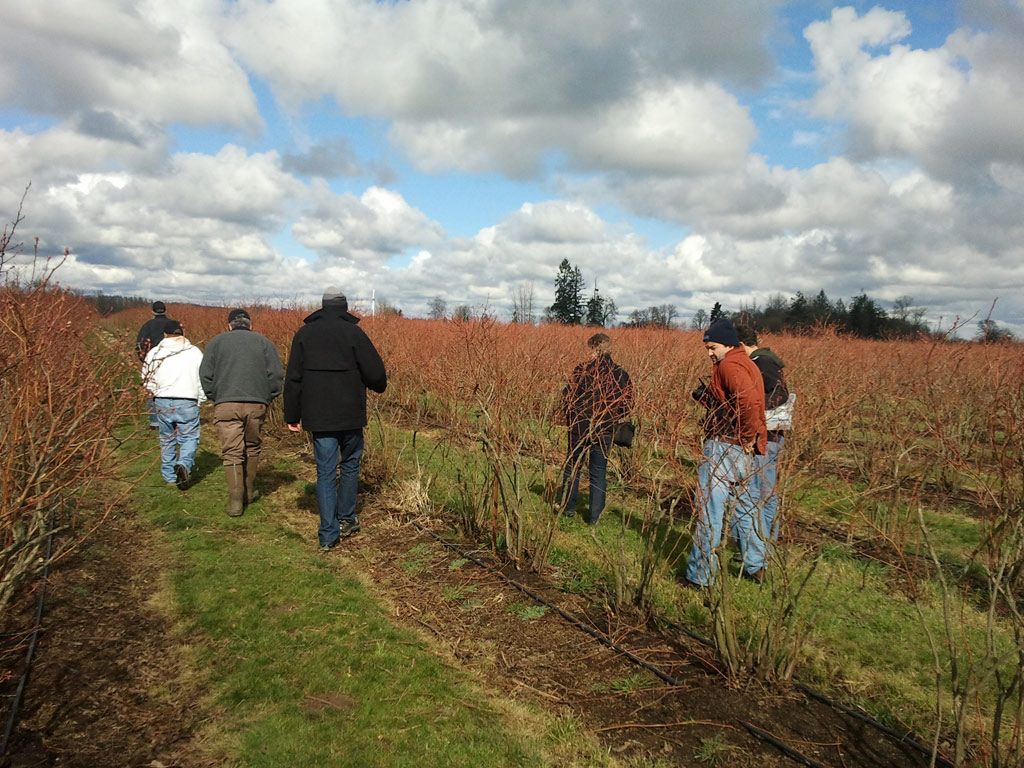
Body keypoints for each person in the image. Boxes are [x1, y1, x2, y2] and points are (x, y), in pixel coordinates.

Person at [284, 288, 387, 552]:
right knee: (350, 466)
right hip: (351, 416)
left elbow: (294, 378)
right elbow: (376, 374)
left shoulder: (304, 334)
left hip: (320, 418)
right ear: (345, 307)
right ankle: (347, 519)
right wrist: (376, 384)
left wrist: (292, 415)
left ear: (322, 306)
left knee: (326, 472)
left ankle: (328, 534)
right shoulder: (354, 333)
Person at [685, 318, 767, 587]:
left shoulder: (729, 364)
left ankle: (699, 577)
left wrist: (744, 435)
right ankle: (756, 566)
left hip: (724, 447)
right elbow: (744, 400)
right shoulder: (748, 363)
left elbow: (748, 401)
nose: (710, 353)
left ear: (729, 344)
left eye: (713, 347)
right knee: (744, 510)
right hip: (742, 452)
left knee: (709, 510)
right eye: (707, 348)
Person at [200, 308, 284, 517]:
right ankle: (249, 492)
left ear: (229, 325)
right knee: (252, 447)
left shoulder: (216, 343)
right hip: (256, 403)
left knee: (232, 451)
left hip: (225, 403)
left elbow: (205, 375)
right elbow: (276, 375)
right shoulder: (264, 343)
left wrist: (215, 396)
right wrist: (268, 397)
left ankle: (235, 501)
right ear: (250, 325)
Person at [559, 333, 634, 525]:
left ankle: (568, 507)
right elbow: (628, 405)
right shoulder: (621, 374)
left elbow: (567, 397)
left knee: (573, 466)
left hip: (579, 426)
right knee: (598, 472)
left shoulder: (581, 371)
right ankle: (594, 517)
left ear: (594, 349)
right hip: (605, 428)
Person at [735, 325, 794, 543]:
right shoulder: (764, 360)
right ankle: (767, 538)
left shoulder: (762, 362)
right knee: (765, 489)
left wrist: (751, 407)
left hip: (767, 436)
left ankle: (760, 540)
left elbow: (780, 394)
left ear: (741, 345)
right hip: (770, 434)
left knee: (758, 490)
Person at [142, 319, 206, 489]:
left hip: (162, 400)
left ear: (165, 334)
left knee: (167, 439)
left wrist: (153, 393)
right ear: (182, 333)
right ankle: (184, 464)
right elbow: (203, 377)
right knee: (189, 437)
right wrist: (201, 398)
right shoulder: (194, 352)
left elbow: (146, 378)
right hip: (187, 400)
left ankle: (169, 476)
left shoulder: (155, 352)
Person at [136, 301, 169, 428]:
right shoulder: (173, 324)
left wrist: (145, 361)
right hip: (171, 360)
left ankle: (154, 421)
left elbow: (140, 345)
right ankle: (170, 418)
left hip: (153, 361)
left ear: (153, 312)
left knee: (152, 390)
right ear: (165, 311)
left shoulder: (148, 325)